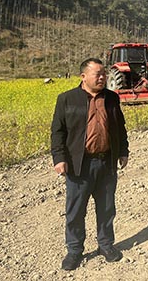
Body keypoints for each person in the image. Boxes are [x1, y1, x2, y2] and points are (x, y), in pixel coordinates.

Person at [51, 58, 129, 270]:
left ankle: (106, 245)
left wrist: (123, 151)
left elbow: (120, 128)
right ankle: (74, 251)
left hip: (106, 163)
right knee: (76, 211)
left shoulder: (112, 98)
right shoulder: (67, 99)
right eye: (98, 74)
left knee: (106, 208)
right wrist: (59, 158)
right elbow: (57, 132)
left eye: (104, 73)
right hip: (79, 166)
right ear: (83, 76)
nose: (103, 77)